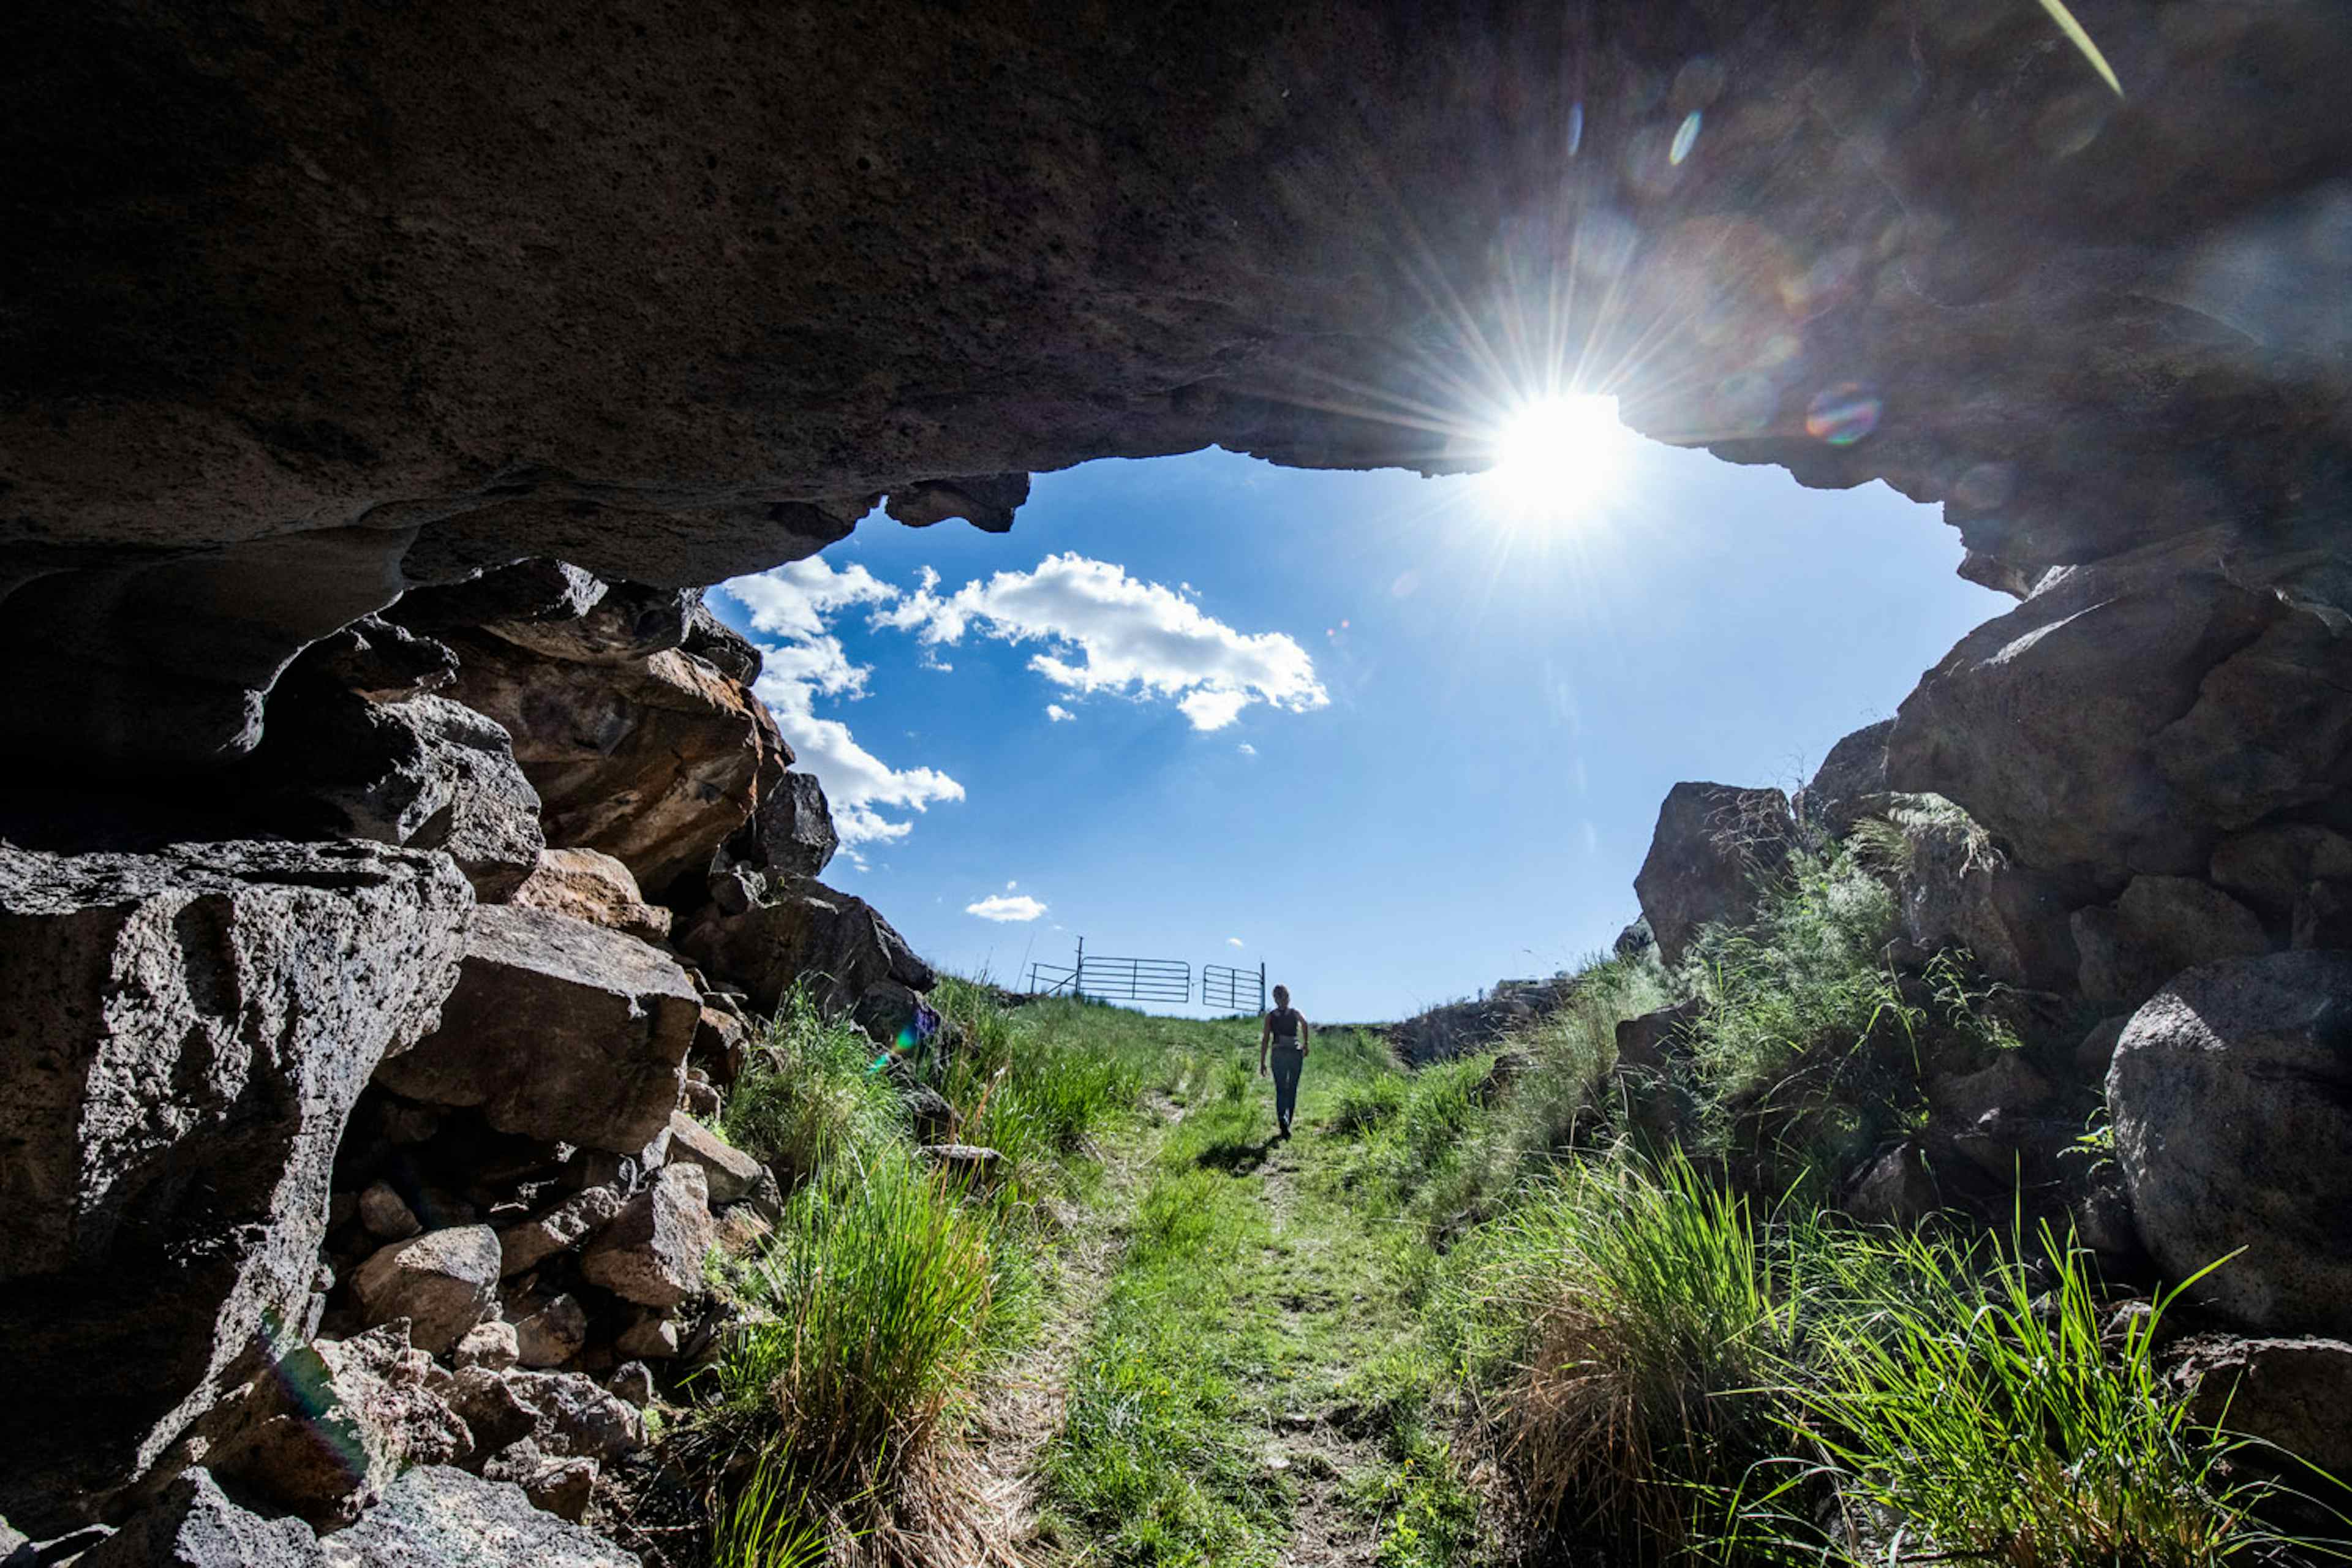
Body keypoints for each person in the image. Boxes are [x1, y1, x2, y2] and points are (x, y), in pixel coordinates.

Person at [1257, 984, 1311, 1140]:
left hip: (1278, 1052)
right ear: (1288, 997)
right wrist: (1306, 1044)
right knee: (1292, 1088)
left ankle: (1283, 1119)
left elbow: (1266, 1039)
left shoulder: (1271, 1016)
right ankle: (1288, 1122)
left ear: (1275, 999)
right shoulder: (1295, 1013)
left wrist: (1262, 1061)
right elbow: (1305, 1023)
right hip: (1295, 1052)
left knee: (1281, 1088)